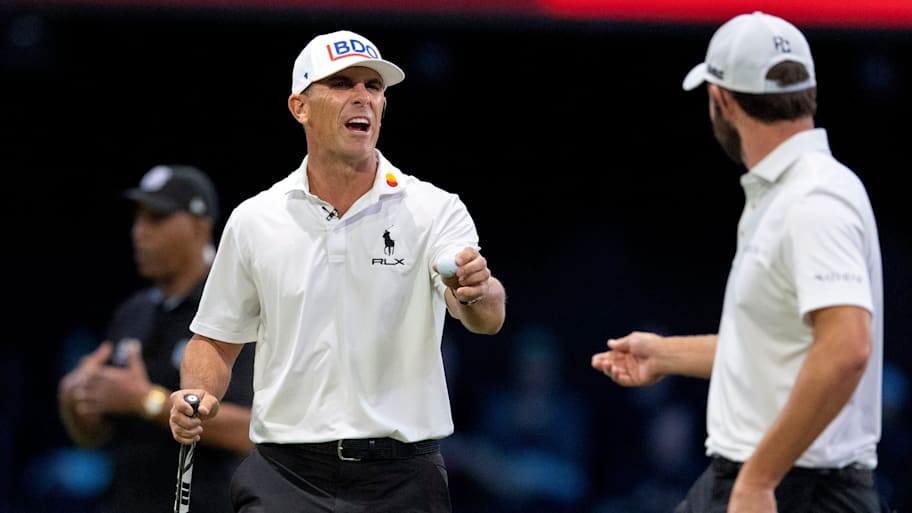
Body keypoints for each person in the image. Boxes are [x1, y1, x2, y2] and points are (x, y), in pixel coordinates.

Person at [168, 29, 506, 513]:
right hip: (285, 477)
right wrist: (196, 394)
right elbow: (215, 341)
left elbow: (484, 315)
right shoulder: (255, 219)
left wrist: (477, 290)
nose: (362, 98)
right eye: (343, 83)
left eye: (373, 87)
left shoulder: (434, 210)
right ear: (299, 107)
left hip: (403, 481)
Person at [592, 12, 887, 513]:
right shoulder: (787, 193)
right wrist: (666, 355)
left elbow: (846, 349)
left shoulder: (813, 198)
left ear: (721, 100)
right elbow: (781, 351)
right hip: (766, 478)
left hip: (795, 488)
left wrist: (759, 479)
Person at [58, 164, 255, 513]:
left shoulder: (235, 306)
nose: (139, 232)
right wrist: (78, 397)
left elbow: (252, 432)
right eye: (138, 218)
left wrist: (146, 401)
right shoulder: (133, 312)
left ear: (200, 226)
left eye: (157, 219)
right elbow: (93, 437)